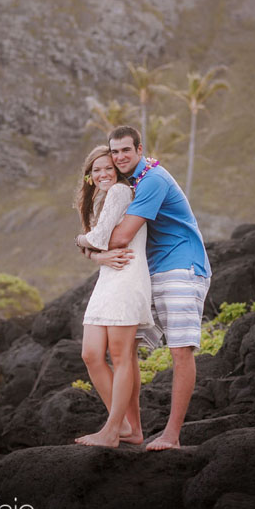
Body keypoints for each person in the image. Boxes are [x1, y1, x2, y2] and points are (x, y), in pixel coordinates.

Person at [92, 126, 212, 451]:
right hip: (152, 270)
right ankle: (133, 430)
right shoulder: (132, 181)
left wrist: (87, 244)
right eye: (114, 152)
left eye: (125, 151)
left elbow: (118, 237)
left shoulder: (153, 180)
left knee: (180, 350)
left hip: (182, 265)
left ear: (139, 149)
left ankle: (172, 435)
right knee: (124, 347)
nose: (118, 157)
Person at [73, 144, 154, 447]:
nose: (104, 173)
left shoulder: (120, 192)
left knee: (121, 357)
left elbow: (97, 238)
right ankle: (125, 427)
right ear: (89, 176)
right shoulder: (102, 199)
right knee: (91, 354)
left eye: (109, 167)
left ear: (117, 171)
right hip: (109, 278)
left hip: (127, 276)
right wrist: (97, 257)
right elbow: (100, 246)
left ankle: (114, 430)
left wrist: (80, 240)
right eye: (97, 170)